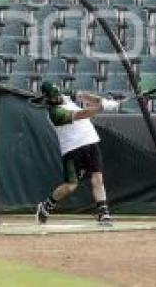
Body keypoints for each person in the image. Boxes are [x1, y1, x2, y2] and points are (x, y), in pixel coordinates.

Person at [34, 82, 118, 226]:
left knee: (97, 178)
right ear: (47, 98)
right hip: (72, 149)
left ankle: (103, 213)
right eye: (54, 96)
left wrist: (100, 101)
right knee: (71, 185)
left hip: (91, 141)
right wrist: (101, 108)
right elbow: (81, 114)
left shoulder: (65, 95)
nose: (58, 97)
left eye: (57, 94)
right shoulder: (54, 114)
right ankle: (46, 206)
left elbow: (83, 95)